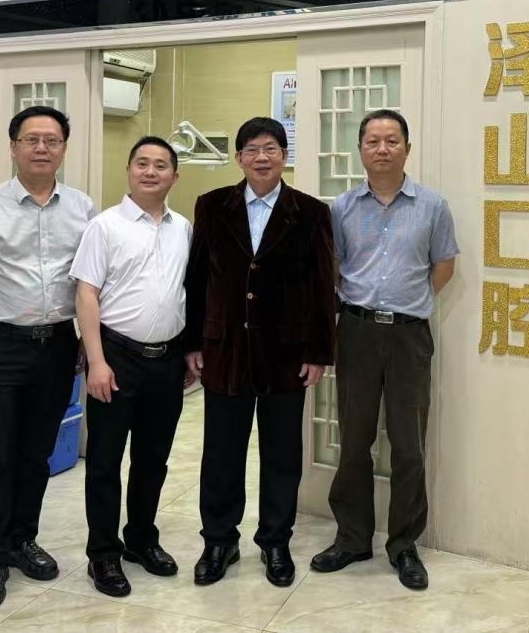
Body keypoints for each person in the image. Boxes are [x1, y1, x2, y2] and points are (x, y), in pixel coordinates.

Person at [0, 106, 95, 610]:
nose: (41, 148)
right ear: (13, 147)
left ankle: (23, 539)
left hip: (58, 345)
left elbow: (91, 281)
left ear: (63, 149)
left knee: (37, 453)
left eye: (51, 140)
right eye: (31, 139)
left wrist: (87, 340)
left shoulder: (82, 207)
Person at [184, 117, 335, 588]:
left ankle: (274, 541)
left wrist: (318, 352)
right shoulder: (212, 206)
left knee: (282, 454)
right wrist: (193, 342)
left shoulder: (310, 212)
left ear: (284, 156)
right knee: (221, 452)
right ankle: (218, 540)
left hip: (286, 354)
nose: (261, 157)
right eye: (251, 149)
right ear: (239, 158)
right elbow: (196, 279)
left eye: (270, 148)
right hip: (224, 349)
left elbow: (323, 286)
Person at [311, 109, 458, 591]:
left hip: (409, 336)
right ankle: (353, 538)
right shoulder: (341, 208)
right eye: (372, 141)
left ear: (407, 149)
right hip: (356, 333)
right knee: (353, 439)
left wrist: (408, 304)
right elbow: (334, 267)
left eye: (392, 140)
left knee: (408, 443)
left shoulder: (432, 206)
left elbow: (443, 267)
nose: (382, 149)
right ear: (360, 150)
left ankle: (403, 544)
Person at [71, 136, 192, 598]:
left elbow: (185, 293)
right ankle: (103, 554)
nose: (150, 171)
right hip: (115, 358)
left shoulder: (183, 228)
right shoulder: (104, 226)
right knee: (105, 460)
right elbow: (86, 294)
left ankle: (141, 539)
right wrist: (96, 361)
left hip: (167, 360)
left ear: (174, 176)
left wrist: (187, 352)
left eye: (160, 165)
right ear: (129, 170)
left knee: (153, 458)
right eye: (142, 163)